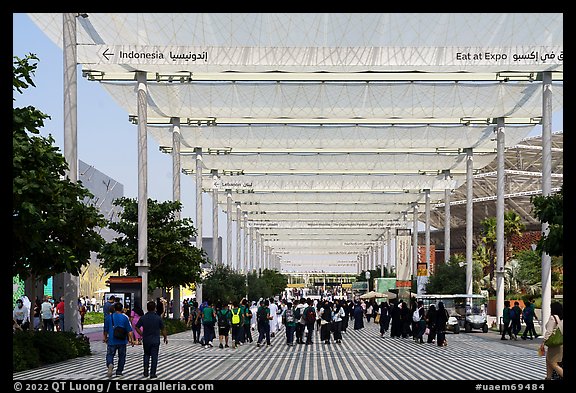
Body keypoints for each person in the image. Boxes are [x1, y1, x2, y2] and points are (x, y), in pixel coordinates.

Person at [134, 300, 168, 379]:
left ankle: (145, 371)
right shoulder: (158, 318)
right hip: (155, 340)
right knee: (154, 357)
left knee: (146, 355)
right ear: (155, 308)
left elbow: (136, 327)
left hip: (146, 339)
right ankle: (152, 373)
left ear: (147, 308)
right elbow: (163, 328)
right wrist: (165, 337)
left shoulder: (143, 317)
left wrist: (141, 334)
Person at [103, 302, 135, 377]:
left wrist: (105, 338)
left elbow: (105, 330)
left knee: (110, 354)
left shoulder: (108, 317)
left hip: (111, 340)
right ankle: (119, 371)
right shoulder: (125, 318)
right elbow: (129, 330)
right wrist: (131, 339)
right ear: (121, 309)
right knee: (122, 356)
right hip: (122, 340)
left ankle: (110, 364)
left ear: (114, 308)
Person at [540, 301, 563, 380]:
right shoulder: (561, 318)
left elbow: (549, 331)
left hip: (554, 343)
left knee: (553, 363)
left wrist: (543, 342)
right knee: (548, 360)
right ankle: (548, 377)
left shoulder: (553, 317)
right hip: (560, 342)